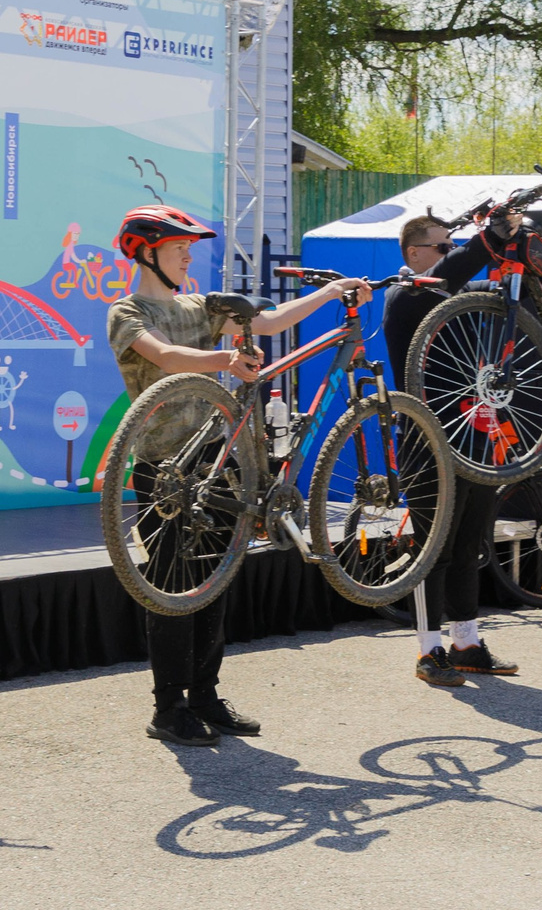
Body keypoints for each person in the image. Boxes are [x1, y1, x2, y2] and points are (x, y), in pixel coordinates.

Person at [107, 204, 366, 744]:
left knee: (216, 581)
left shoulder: (202, 305)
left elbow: (266, 322)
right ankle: (167, 709)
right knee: (171, 586)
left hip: (216, 464)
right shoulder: (126, 311)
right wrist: (222, 362)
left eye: (188, 249)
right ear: (146, 252)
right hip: (165, 470)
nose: (187, 256)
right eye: (178, 248)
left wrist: (329, 294)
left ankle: (204, 695)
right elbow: (166, 355)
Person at [383, 212, 518, 685]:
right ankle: (428, 650)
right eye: (442, 247)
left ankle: (467, 643)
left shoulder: (452, 299)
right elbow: (451, 272)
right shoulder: (405, 296)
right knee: (433, 549)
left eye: (452, 245)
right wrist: (489, 238)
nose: (450, 254)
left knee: (468, 546)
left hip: (474, 433)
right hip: (428, 439)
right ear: (415, 254)